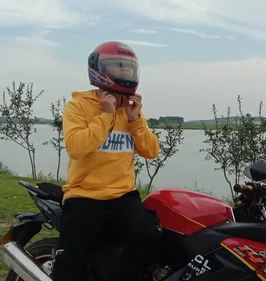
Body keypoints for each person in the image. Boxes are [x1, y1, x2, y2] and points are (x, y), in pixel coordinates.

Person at [52, 41, 162, 281]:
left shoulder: (133, 110)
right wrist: (106, 115)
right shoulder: (78, 106)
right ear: (98, 69)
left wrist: (136, 121)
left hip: (123, 195)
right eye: (117, 67)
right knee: (71, 262)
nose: (124, 72)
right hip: (84, 195)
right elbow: (76, 148)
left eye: (128, 68)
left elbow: (151, 151)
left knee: (150, 234)